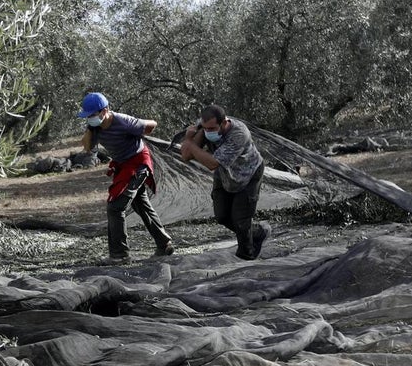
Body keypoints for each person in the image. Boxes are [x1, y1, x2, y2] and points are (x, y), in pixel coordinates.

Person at [78, 92, 173, 261]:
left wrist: (140, 132)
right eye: (87, 116)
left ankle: (119, 255)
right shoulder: (95, 127)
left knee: (115, 206)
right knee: (140, 204)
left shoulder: (123, 121)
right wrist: (90, 127)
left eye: (92, 115)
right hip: (123, 165)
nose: (90, 119)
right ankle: (164, 244)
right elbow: (86, 147)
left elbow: (151, 125)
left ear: (104, 110)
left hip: (137, 163)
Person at [179, 104, 270, 260]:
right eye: (205, 128)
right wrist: (189, 139)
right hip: (225, 175)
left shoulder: (239, 134)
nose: (208, 132)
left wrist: (191, 144)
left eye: (212, 129)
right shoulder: (204, 126)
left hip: (248, 175)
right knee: (222, 216)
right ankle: (257, 232)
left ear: (224, 122)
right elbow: (186, 156)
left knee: (241, 220)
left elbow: (212, 163)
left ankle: (246, 257)